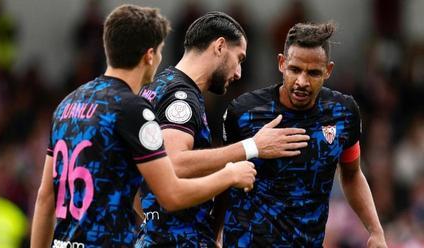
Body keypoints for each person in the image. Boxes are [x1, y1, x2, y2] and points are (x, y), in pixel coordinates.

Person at [30, 4, 257, 247]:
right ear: (150, 55)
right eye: (159, 51)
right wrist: (230, 173)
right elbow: (171, 193)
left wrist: (151, 221)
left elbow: (45, 197)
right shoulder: (133, 110)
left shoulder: (68, 104)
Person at [136, 12, 310, 247]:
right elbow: (173, 162)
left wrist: (155, 223)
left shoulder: (154, 89)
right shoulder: (181, 98)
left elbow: (133, 177)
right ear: (219, 46)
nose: (238, 73)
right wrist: (251, 148)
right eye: (239, 59)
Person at [220, 22, 388, 247]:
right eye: (295, 69)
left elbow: (352, 174)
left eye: (313, 73)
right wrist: (213, 233)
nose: (302, 82)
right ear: (282, 63)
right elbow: (222, 177)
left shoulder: (343, 113)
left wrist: (375, 230)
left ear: (328, 70)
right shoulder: (243, 112)